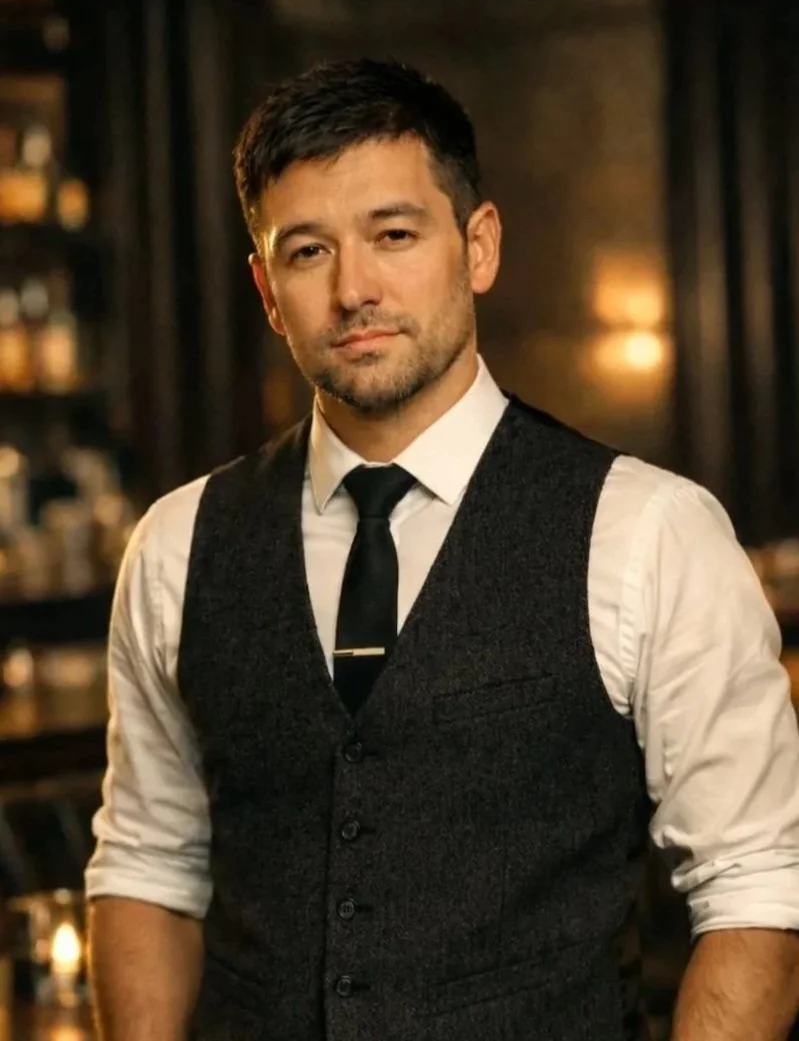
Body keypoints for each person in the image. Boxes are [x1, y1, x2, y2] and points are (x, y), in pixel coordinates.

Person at [85, 58, 799, 1041]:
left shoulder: (648, 532)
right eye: (305, 252)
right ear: (264, 288)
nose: (353, 289)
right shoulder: (176, 544)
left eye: (393, 234)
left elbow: (755, 885)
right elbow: (147, 869)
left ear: (478, 246)